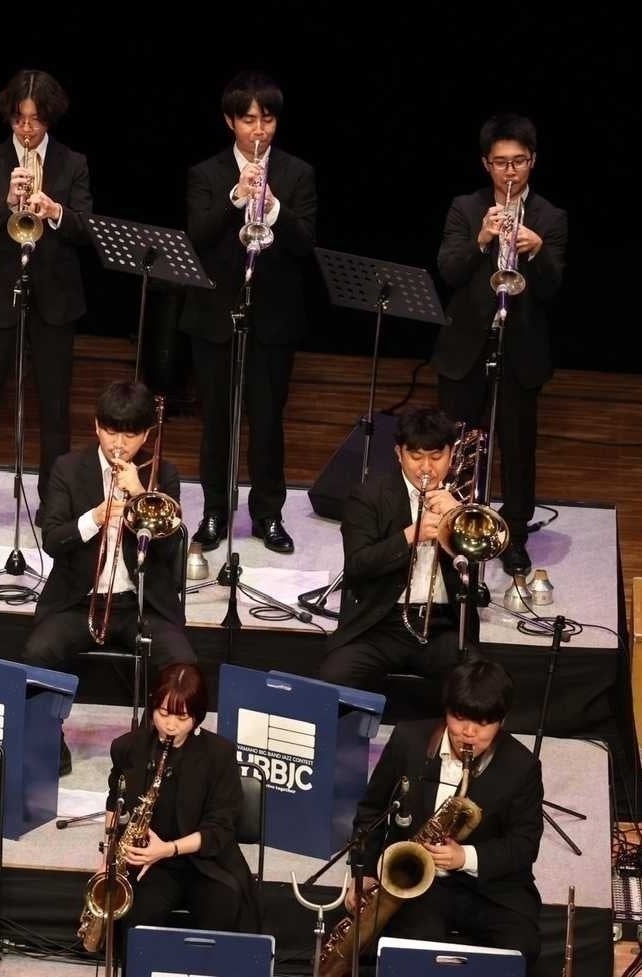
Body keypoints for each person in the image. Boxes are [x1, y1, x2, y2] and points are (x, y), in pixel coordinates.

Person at [180, 70, 316, 556]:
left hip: (273, 317)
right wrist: (236, 196)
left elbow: (305, 245)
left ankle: (268, 515)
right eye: (249, 120)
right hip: (215, 316)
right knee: (216, 421)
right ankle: (215, 512)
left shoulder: (297, 173)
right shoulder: (206, 174)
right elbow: (196, 237)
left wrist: (273, 207)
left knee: (267, 422)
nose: (259, 130)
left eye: (267, 119)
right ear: (230, 121)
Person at [29, 380, 195, 774]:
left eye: (130, 434)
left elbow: (170, 553)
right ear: (96, 426)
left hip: (142, 604)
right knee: (38, 652)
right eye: (110, 431)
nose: (118, 443)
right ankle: (49, 738)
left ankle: (159, 747)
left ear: (147, 435)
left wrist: (140, 497)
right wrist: (94, 517)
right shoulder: (69, 468)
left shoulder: (162, 473)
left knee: (183, 665)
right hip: (79, 601)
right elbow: (52, 539)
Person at [0, 68, 93, 527]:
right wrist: (6, 204)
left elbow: (86, 229)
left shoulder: (73, 163)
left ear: (49, 117)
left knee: (54, 407)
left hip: (55, 298)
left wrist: (55, 210)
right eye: (19, 119)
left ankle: (54, 499)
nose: (26, 128)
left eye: (34, 119)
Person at [434, 113, 568, 578]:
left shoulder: (550, 217)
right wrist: (483, 238)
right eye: (501, 163)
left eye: (519, 162)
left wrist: (538, 249)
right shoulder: (465, 208)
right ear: (486, 164)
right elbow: (449, 271)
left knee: (517, 447)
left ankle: (514, 535)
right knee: (459, 445)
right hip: (466, 345)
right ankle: (454, 528)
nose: (510, 172)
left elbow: (553, 288)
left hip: (521, 348)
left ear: (533, 161)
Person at [346, 659, 541, 967]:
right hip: (418, 885)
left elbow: (525, 844)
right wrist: (364, 873)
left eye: (483, 724)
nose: (469, 733)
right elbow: (372, 809)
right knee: (411, 954)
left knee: (518, 952)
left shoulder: (522, 766)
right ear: (447, 710)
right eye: (460, 718)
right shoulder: (409, 740)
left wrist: (465, 857)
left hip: (492, 890)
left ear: (501, 721)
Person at [100, 663, 260, 952]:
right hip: (150, 863)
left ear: (197, 716)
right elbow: (115, 800)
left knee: (223, 909)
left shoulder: (219, 755)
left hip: (206, 861)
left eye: (182, 717)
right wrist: (107, 858)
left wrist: (167, 849)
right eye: (163, 714)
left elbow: (220, 829)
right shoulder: (128, 747)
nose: (170, 725)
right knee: (136, 919)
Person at [319, 407, 477, 693]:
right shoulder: (367, 496)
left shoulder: (463, 504)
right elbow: (358, 566)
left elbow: (476, 574)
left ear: (451, 454)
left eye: (436, 457)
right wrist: (410, 536)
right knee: (332, 683)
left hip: (442, 626)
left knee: (481, 688)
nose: (426, 468)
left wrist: (458, 520)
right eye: (416, 457)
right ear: (399, 453)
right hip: (380, 623)